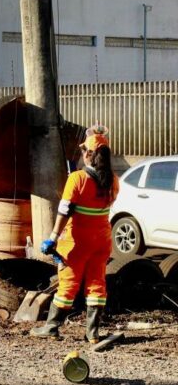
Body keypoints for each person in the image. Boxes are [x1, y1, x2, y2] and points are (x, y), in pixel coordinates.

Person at [31, 130, 118, 342]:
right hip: (102, 241)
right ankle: (92, 333)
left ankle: (51, 327)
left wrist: (52, 237)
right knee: (97, 284)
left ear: (88, 154)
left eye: (84, 150)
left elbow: (64, 211)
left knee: (68, 285)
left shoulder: (77, 179)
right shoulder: (113, 181)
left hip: (77, 242)